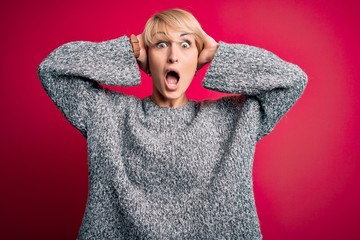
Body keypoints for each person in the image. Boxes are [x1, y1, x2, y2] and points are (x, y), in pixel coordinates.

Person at [38, 8, 307, 240]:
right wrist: (125, 50)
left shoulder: (235, 118)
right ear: (147, 58)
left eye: (186, 45)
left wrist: (219, 53)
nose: (173, 57)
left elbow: (292, 80)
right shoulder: (106, 113)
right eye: (161, 44)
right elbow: (53, 69)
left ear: (198, 58)